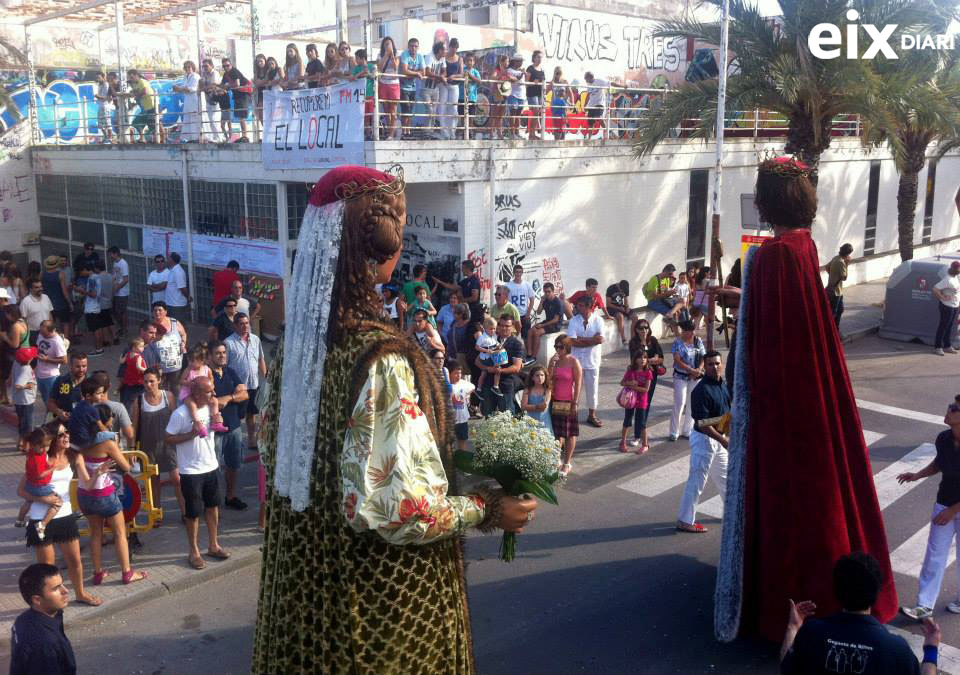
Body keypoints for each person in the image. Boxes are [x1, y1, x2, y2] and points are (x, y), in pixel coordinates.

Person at [254, 166, 537, 672]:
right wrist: (487, 508)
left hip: (304, 599)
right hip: (378, 609)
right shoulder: (379, 360)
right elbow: (403, 511)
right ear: (388, 250)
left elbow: (278, 456)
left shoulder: (293, 353)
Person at [715, 157, 898, 644]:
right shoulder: (802, 244)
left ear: (766, 201)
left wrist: (741, 298)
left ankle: (781, 607)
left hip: (786, 407)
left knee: (791, 498)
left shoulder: (774, 255)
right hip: (811, 391)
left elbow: (772, 346)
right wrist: (745, 295)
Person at [781, 553, 938, 675]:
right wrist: (931, 648)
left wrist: (793, 627)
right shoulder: (895, 649)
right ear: (876, 593)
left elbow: (787, 667)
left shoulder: (811, 632)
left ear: (837, 591)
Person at [19, 424, 102, 608]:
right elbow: (21, 491)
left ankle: (80, 593)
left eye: (68, 432)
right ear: (52, 439)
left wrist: (97, 473)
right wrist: (43, 499)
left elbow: (87, 485)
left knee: (75, 561)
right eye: (61, 434)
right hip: (40, 518)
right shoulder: (41, 458)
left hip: (65, 515)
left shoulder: (74, 456)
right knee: (48, 568)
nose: (66, 436)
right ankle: (50, 602)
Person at [75, 391, 146, 586]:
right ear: (106, 421)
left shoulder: (80, 442)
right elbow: (126, 467)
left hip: (84, 494)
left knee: (95, 534)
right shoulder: (107, 443)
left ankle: (97, 573)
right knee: (119, 533)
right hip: (105, 494)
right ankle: (127, 572)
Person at [899, 407, 960, 620]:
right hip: (944, 503)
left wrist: (953, 511)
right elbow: (939, 464)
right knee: (934, 554)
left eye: (955, 409)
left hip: (953, 508)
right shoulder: (943, 438)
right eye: (950, 407)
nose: (949, 411)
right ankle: (924, 605)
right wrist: (917, 475)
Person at [164, 377, 231, 570]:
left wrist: (219, 419)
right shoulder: (181, 414)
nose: (212, 395)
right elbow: (168, 438)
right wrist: (190, 435)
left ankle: (213, 545)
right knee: (193, 514)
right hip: (190, 471)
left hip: (211, 465)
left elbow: (216, 425)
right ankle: (193, 552)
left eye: (212, 391)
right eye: (208, 392)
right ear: (197, 393)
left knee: (213, 507)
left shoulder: (211, 408)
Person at [676, 350, 729, 533]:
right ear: (704, 367)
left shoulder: (724, 385)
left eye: (717, 363)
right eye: (710, 364)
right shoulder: (701, 391)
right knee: (697, 481)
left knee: (725, 479)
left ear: (721, 364)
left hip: (720, 440)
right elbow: (703, 423)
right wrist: (724, 440)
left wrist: (727, 434)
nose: (714, 367)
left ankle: (731, 513)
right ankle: (685, 520)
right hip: (704, 440)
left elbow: (726, 414)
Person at [131, 367, 184, 520]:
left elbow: (176, 420)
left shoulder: (168, 397)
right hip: (148, 448)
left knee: (177, 479)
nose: (148, 385)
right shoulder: (138, 401)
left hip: (169, 446)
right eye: (146, 381)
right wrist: (133, 449)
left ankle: (185, 512)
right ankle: (156, 515)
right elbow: (134, 427)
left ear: (159, 381)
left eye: (152, 381)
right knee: (154, 482)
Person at [11, 563, 76, 675]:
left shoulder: (22, 620)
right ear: (37, 599)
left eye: (62, 584)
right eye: (56, 588)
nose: (65, 591)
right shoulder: (44, 645)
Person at [209, 341, 249, 510]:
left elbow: (245, 394)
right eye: (218, 353)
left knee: (234, 464)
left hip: (234, 426)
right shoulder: (206, 375)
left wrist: (229, 398)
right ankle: (212, 500)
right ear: (210, 356)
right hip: (215, 430)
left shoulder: (230, 372)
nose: (222, 355)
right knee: (213, 467)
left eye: (224, 352)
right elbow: (210, 401)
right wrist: (228, 397)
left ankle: (230, 496)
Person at [224, 312, 266, 452]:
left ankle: (252, 440)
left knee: (252, 414)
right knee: (236, 415)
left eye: (246, 323)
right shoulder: (229, 343)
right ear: (235, 325)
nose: (244, 326)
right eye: (241, 324)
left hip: (253, 383)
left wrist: (265, 376)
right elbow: (225, 365)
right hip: (238, 387)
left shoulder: (255, 339)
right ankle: (235, 442)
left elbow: (260, 359)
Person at [569, 295, 605, 428]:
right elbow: (572, 341)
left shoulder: (598, 320)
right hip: (576, 360)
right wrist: (591, 340)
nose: (577, 307)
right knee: (573, 388)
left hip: (592, 360)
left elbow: (600, 339)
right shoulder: (574, 320)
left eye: (581, 305)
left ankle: (592, 414)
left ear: (589, 307)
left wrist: (581, 339)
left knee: (592, 388)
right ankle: (572, 414)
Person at [548, 335, 582, 476]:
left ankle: (567, 462)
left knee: (569, 433)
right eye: (556, 346)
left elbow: (579, 383)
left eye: (560, 347)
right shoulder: (555, 361)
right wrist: (550, 364)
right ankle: (557, 459)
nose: (558, 349)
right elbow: (548, 380)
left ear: (567, 347)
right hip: (556, 399)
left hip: (568, 400)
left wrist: (575, 401)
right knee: (557, 433)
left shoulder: (573, 362)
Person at [178, 343, 228, 437]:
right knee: (192, 405)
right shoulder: (189, 370)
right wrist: (189, 383)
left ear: (202, 361)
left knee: (214, 401)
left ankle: (216, 422)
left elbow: (211, 379)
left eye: (193, 361)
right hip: (189, 393)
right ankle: (198, 425)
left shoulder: (206, 369)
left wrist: (211, 388)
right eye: (189, 360)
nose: (190, 363)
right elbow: (181, 380)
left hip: (204, 394)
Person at [16, 428, 58, 535]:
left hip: (29, 484)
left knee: (28, 501)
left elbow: (41, 463)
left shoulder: (33, 451)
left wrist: (46, 464)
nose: (45, 449)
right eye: (43, 446)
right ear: (34, 444)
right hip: (40, 486)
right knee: (57, 503)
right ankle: (42, 525)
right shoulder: (36, 458)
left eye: (47, 446)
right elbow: (40, 475)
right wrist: (52, 468)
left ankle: (20, 520)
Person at [670, 320, 705, 442]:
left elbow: (703, 357)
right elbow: (677, 359)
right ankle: (674, 431)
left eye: (690, 331)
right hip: (681, 376)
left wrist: (699, 369)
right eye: (685, 331)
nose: (688, 333)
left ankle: (687, 430)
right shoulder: (677, 342)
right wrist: (690, 370)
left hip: (695, 376)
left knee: (692, 403)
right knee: (679, 403)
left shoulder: (698, 341)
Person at [628, 318, 665, 431]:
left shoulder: (653, 340)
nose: (644, 330)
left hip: (650, 377)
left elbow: (661, 358)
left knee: (646, 403)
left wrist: (651, 360)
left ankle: (640, 429)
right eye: (641, 328)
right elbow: (636, 360)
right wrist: (651, 360)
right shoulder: (633, 342)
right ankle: (630, 426)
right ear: (636, 330)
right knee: (634, 403)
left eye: (646, 327)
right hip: (637, 376)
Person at [144, 301, 187, 391]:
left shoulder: (174, 322)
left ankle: (175, 404)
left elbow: (183, 334)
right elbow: (145, 341)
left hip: (175, 365)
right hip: (158, 366)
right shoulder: (150, 326)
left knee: (176, 388)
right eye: (155, 310)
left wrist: (183, 343)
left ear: (166, 312)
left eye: (160, 310)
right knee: (160, 389)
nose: (157, 312)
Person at [618, 350, 652, 454]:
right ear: (635, 359)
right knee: (627, 420)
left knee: (641, 423)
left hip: (642, 401)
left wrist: (634, 387)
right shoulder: (630, 371)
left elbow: (646, 389)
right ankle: (622, 442)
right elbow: (622, 383)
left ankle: (645, 444)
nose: (642, 360)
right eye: (640, 357)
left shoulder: (648, 372)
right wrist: (629, 383)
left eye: (645, 358)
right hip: (630, 400)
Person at [434, 258, 482, 325]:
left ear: (467, 269)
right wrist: (439, 282)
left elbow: (474, 297)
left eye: (463, 268)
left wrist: (462, 300)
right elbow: (453, 287)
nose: (461, 270)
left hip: (473, 312)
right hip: (465, 311)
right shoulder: (465, 281)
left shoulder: (474, 281)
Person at [47, 351, 87, 424]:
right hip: (64, 424)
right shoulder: (61, 381)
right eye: (77, 366)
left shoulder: (91, 382)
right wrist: (59, 412)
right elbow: (50, 403)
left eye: (84, 366)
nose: (81, 369)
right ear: (70, 366)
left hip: (84, 424)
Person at [527, 281, 564, 360]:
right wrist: (541, 301)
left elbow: (556, 320)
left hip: (555, 325)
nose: (547, 294)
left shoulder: (558, 302)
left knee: (537, 333)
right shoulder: (546, 300)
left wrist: (542, 325)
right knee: (530, 331)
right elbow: (539, 312)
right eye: (545, 292)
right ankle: (529, 355)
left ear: (553, 291)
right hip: (547, 322)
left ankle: (534, 357)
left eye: (549, 292)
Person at [121, 69, 159, 143]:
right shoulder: (135, 84)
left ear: (136, 75)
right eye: (129, 78)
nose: (130, 80)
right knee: (137, 123)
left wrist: (135, 95)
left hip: (151, 106)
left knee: (154, 124)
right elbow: (134, 93)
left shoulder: (142, 81)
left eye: (131, 77)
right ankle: (143, 138)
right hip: (144, 108)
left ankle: (159, 139)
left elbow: (144, 91)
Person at [219, 57, 251, 142]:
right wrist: (215, 87)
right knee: (240, 116)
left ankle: (244, 136)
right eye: (224, 66)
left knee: (242, 116)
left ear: (231, 65)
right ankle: (241, 136)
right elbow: (222, 85)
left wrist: (227, 86)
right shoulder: (225, 74)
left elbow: (237, 84)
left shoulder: (234, 71)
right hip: (237, 94)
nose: (226, 67)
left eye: (227, 65)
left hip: (244, 93)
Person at [474, 316, 506, 398]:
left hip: (491, 355)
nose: (493, 331)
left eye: (494, 328)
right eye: (491, 329)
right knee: (497, 369)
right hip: (485, 358)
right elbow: (477, 347)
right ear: (485, 328)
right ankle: (495, 386)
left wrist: (499, 346)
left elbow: (494, 345)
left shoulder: (493, 336)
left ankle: (479, 389)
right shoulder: (482, 338)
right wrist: (486, 351)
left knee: (485, 373)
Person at [398, 38, 425, 137]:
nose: (413, 48)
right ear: (408, 47)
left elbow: (424, 72)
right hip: (403, 87)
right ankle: (404, 131)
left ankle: (408, 131)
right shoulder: (404, 54)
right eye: (411, 46)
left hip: (413, 88)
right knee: (405, 109)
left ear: (418, 47)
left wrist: (412, 73)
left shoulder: (420, 57)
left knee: (410, 110)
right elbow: (405, 71)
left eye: (415, 46)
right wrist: (417, 73)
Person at [35, 320, 67, 404]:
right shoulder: (41, 335)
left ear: (52, 331)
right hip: (40, 375)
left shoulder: (57, 342)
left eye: (44, 333)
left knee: (53, 401)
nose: (42, 335)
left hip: (51, 377)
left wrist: (47, 359)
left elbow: (64, 360)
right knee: (45, 400)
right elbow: (38, 348)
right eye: (41, 332)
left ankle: (52, 416)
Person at [933, 261, 960, 355]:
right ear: (954, 269)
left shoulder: (955, 277)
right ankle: (937, 347)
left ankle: (947, 346)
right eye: (958, 268)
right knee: (943, 326)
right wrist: (942, 297)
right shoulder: (947, 279)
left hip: (954, 306)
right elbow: (935, 289)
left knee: (949, 327)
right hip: (946, 306)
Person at [42, 255, 72, 340]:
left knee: (51, 324)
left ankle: (53, 341)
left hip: (48, 303)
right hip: (61, 302)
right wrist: (69, 303)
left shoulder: (43, 274)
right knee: (65, 323)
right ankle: (65, 343)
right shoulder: (60, 274)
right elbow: (64, 291)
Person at [447, 359, 475, 451]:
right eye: (455, 373)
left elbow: (472, 387)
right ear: (449, 373)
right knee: (449, 442)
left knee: (462, 440)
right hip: (450, 419)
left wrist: (467, 395)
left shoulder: (463, 383)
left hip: (462, 418)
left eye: (460, 373)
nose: (458, 376)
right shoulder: (447, 385)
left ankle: (462, 458)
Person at [825, 243, 853, 329]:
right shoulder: (841, 262)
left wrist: (833, 275)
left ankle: (835, 328)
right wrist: (847, 264)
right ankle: (832, 330)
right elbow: (844, 277)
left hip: (835, 290)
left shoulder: (835, 258)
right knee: (834, 311)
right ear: (847, 254)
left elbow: (826, 267)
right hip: (836, 292)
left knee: (840, 310)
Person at [378, 37, 402, 140]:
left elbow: (395, 66)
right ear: (383, 46)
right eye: (386, 44)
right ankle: (390, 131)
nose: (388, 46)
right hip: (383, 83)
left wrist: (391, 55)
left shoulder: (396, 55)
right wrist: (385, 55)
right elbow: (379, 66)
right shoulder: (380, 55)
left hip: (394, 84)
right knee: (386, 109)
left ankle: (391, 134)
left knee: (393, 110)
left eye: (390, 44)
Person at [506, 264, 536, 346]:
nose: (518, 274)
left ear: (522, 273)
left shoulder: (527, 285)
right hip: (513, 316)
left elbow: (532, 299)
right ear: (513, 273)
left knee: (526, 337)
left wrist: (528, 313)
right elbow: (505, 300)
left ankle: (527, 355)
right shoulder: (508, 285)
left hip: (524, 315)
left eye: (520, 272)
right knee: (512, 336)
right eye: (516, 272)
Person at [439, 39, 462, 140]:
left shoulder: (459, 58)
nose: (454, 49)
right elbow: (440, 70)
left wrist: (454, 76)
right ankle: (444, 132)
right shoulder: (444, 57)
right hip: (444, 85)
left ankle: (452, 131)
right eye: (452, 47)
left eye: (456, 47)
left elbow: (461, 73)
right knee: (443, 107)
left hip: (454, 85)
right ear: (449, 46)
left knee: (453, 109)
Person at [12, 352, 36, 445]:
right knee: (28, 424)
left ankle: (21, 440)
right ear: (28, 360)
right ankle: (27, 444)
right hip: (26, 401)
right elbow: (18, 385)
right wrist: (28, 386)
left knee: (22, 421)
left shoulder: (16, 363)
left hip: (19, 399)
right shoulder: (26, 369)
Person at [174, 60, 201, 142]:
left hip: (194, 100)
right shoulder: (185, 77)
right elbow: (184, 87)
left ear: (192, 67)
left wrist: (181, 89)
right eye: (185, 67)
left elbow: (192, 89)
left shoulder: (195, 76)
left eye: (188, 67)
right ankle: (187, 138)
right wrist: (177, 88)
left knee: (194, 118)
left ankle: (195, 138)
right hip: (187, 100)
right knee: (186, 118)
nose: (187, 69)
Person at [20, 278, 53, 345]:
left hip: (48, 331)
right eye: (36, 287)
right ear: (31, 289)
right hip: (34, 333)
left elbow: (49, 313)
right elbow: (23, 320)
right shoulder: (25, 302)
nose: (40, 289)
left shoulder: (46, 297)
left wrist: (52, 327)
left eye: (41, 286)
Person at [522, 365, 553, 434]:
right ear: (532, 377)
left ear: (545, 377)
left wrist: (531, 407)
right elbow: (523, 407)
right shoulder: (528, 390)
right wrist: (537, 407)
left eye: (542, 375)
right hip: (530, 421)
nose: (540, 378)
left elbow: (544, 407)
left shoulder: (547, 390)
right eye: (537, 375)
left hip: (544, 421)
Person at [120, 336, 147, 410]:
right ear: (134, 347)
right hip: (138, 379)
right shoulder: (138, 357)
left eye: (143, 346)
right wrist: (147, 370)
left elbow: (121, 361)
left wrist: (121, 356)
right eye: (141, 346)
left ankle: (127, 408)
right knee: (139, 395)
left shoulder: (128, 354)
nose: (143, 348)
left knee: (128, 395)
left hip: (129, 378)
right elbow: (138, 367)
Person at [108, 246, 129, 338]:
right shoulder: (114, 263)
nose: (110, 256)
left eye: (111, 254)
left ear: (115, 253)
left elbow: (126, 279)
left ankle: (124, 329)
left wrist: (117, 287)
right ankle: (121, 327)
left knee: (121, 311)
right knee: (115, 311)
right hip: (116, 291)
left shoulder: (123, 263)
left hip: (122, 292)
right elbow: (115, 276)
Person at [198, 59, 222, 142]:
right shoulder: (204, 74)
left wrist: (203, 88)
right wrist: (201, 82)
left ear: (211, 65)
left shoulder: (215, 73)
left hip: (216, 99)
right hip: (207, 99)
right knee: (209, 120)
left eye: (206, 66)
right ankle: (214, 138)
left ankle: (219, 138)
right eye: (203, 66)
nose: (204, 68)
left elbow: (213, 84)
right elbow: (201, 86)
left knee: (214, 119)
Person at [164, 252, 190, 324]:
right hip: (171, 303)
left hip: (177, 304)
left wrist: (188, 297)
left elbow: (182, 288)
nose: (167, 260)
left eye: (168, 258)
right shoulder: (172, 270)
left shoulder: (178, 272)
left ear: (172, 260)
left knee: (178, 325)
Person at [94, 259, 115, 346]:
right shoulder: (110, 276)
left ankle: (106, 340)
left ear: (97, 268)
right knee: (110, 320)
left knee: (103, 323)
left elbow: (96, 292)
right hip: (109, 301)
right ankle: (115, 337)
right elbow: (113, 288)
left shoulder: (97, 278)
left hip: (101, 303)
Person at [525, 51, 545, 140]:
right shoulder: (530, 68)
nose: (539, 59)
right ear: (534, 58)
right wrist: (533, 83)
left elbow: (543, 82)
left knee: (538, 113)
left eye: (541, 57)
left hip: (539, 93)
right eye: (538, 57)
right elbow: (526, 83)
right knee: (536, 111)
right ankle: (531, 134)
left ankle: (533, 133)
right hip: (531, 93)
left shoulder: (542, 69)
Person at [505, 54, 525, 139]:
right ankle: (512, 133)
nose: (521, 62)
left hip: (522, 96)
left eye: (521, 61)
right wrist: (521, 74)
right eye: (519, 61)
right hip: (513, 95)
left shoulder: (521, 71)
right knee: (513, 113)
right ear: (514, 61)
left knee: (518, 114)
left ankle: (517, 132)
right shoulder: (509, 70)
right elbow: (515, 79)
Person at [582, 71, 608, 137]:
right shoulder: (588, 85)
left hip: (600, 103)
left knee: (598, 117)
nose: (585, 80)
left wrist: (622, 86)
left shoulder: (599, 81)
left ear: (590, 77)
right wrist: (585, 105)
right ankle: (589, 138)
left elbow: (610, 83)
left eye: (586, 79)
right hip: (591, 105)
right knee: (590, 122)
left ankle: (606, 129)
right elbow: (588, 95)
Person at [605, 279, 631, 345]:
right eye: (621, 290)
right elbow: (608, 304)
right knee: (620, 316)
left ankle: (634, 339)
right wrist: (619, 308)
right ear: (619, 286)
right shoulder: (611, 289)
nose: (622, 292)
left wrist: (627, 308)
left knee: (635, 316)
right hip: (612, 308)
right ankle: (623, 339)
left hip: (621, 306)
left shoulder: (626, 288)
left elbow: (626, 301)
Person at [547, 67, 570, 140]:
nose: (558, 75)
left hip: (563, 105)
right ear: (554, 74)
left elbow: (569, 92)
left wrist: (569, 102)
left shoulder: (565, 81)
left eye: (560, 73)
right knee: (556, 123)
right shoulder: (552, 82)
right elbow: (545, 91)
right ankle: (556, 141)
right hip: (555, 106)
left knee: (563, 122)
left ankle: (562, 140)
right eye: (557, 73)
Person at [463, 53, 482, 139]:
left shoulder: (475, 72)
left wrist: (470, 75)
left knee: (470, 115)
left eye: (471, 60)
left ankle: (470, 131)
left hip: (472, 98)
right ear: (465, 62)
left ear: (474, 62)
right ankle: (463, 132)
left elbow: (479, 81)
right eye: (467, 60)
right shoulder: (462, 70)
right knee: (462, 115)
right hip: (462, 97)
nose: (469, 62)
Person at [95, 71, 115, 143]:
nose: (97, 79)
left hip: (105, 106)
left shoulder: (106, 85)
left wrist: (98, 96)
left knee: (107, 122)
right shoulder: (99, 85)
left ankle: (110, 138)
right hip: (100, 106)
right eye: (97, 78)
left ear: (103, 77)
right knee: (100, 124)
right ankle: (106, 137)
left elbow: (106, 98)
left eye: (99, 78)